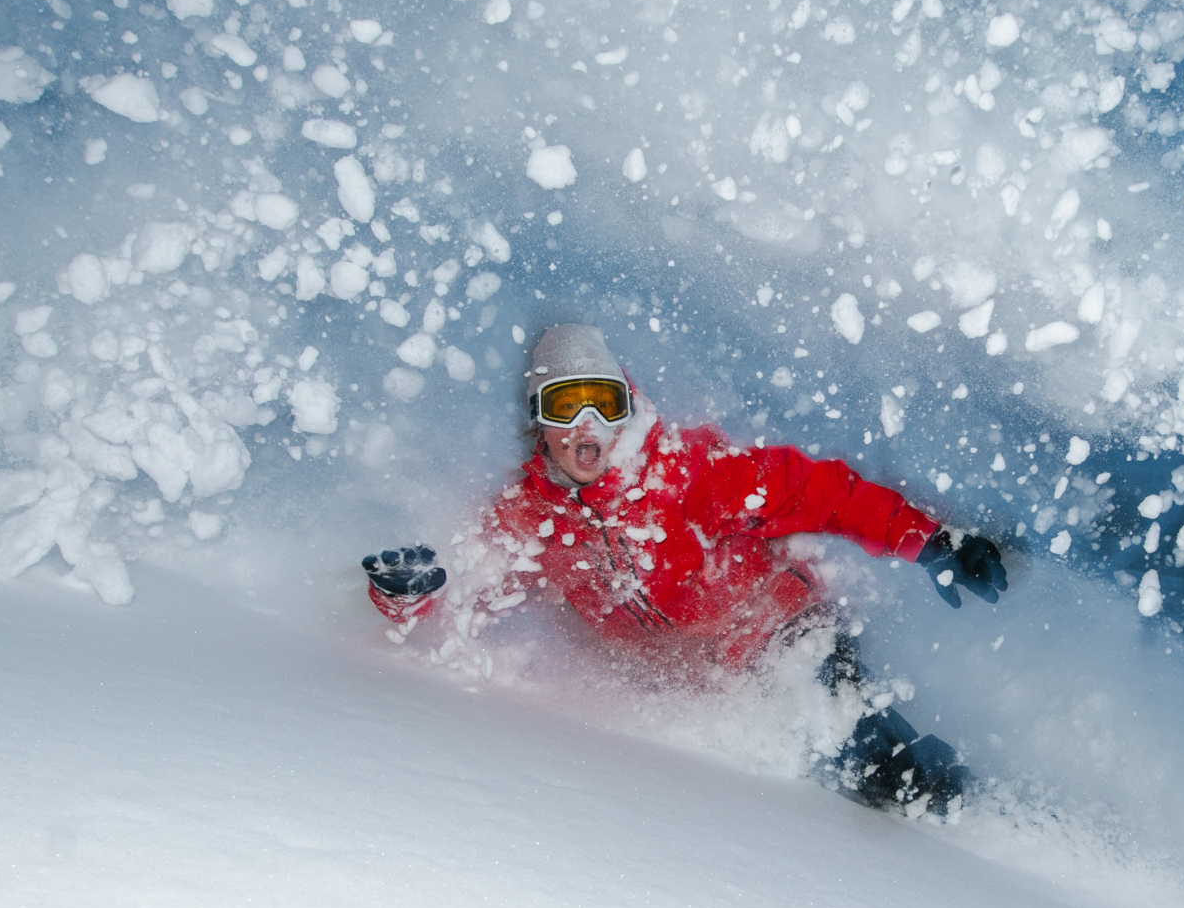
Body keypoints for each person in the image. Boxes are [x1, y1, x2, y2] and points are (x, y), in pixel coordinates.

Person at [361, 324, 1007, 814]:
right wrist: (407, 596)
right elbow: (467, 587)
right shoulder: (532, 518)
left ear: (624, 406)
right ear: (540, 420)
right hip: (689, 673)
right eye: (565, 405)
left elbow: (822, 493)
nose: (586, 423)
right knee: (817, 780)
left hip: (777, 629)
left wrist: (931, 541)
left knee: (859, 755)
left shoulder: (691, 474)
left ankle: (975, 816)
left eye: (602, 402)